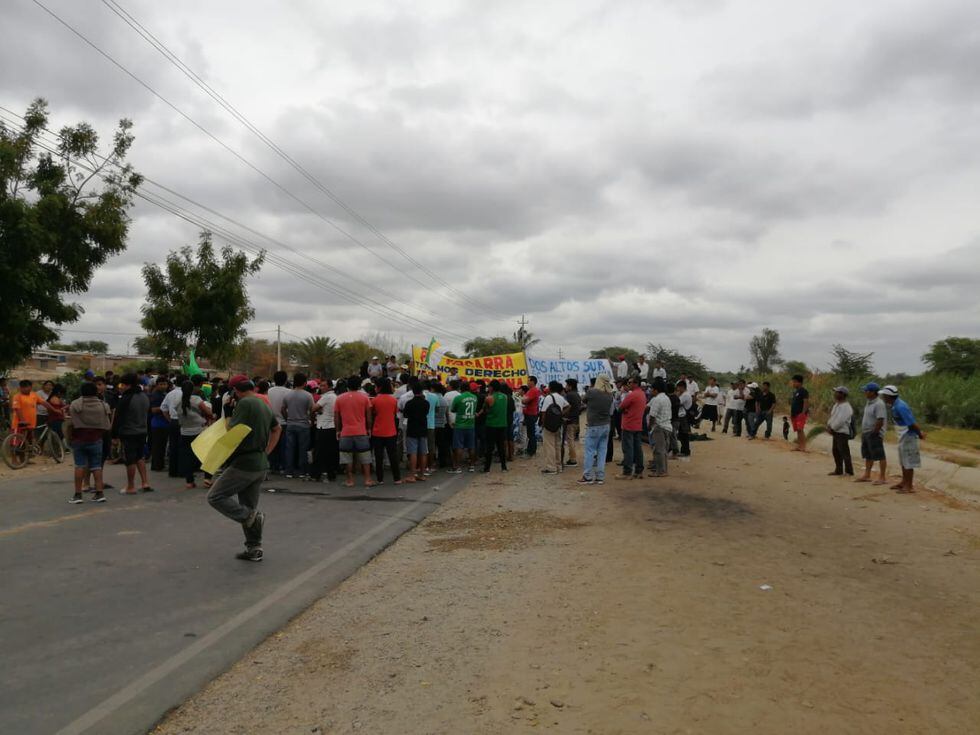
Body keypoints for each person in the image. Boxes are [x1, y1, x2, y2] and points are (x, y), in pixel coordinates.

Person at [206, 375, 280, 562]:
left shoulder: (245, 404)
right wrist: (267, 451)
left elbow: (232, 431)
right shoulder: (262, 403)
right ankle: (254, 548)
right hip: (259, 463)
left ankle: (252, 517)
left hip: (244, 464)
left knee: (215, 496)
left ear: (235, 390)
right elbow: (277, 428)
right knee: (249, 505)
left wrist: (228, 412)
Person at [66, 381, 112, 504]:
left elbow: (71, 424)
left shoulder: (75, 405)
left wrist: (69, 438)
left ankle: (77, 495)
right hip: (96, 439)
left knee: (79, 466)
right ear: (96, 392)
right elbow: (107, 425)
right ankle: (99, 493)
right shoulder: (103, 405)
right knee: (96, 466)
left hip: (79, 439)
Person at [881, 385, 925, 494]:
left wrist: (920, 434)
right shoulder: (895, 405)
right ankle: (904, 482)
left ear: (888, 396)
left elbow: (912, 423)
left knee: (908, 461)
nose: (883, 397)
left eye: (884, 395)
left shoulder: (901, 406)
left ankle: (909, 486)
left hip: (908, 436)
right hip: (902, 436)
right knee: (903, 460)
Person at [113, 374, 152, 494]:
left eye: (121, 385)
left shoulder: (126, 398)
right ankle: (145, 482)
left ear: (127, 385)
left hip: (129, 432)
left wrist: (114, 436)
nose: (120, 387)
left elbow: (118, 418)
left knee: (130, 460)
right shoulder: (144, 397)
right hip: (142, 431)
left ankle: (131, 486)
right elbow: (148, 413)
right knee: (140, 456)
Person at [334, 374, 374, 488]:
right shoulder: (365, 398)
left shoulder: (340, 398)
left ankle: (350, 480)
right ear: (359, 385)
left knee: (347, 458)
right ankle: (367, 479)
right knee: (365, 457)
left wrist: (338, 430)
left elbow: (337, 417)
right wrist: (369, 428)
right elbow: (368, 416)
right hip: (361, 431)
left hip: (345, 432)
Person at [177, 379, 214, 489]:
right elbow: (209, 413)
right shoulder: (197, 399)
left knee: (188, 456)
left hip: (184, 432)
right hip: (199, 430)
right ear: (193, 389)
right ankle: (207, 479)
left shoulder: (179, 401)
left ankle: (189, 481)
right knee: (206, 454)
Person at [579, 373, 613, 485]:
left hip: (594, 425)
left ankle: (587, 476)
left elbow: (583, 401)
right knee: (602, 452)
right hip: (606, 425)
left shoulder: (592, 392)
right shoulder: (610, 394)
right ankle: (600, 477)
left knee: (590, 451)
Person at [281, 373, 314, 479]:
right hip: (303, 425)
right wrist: (311, 421)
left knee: (290, 448)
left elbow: (282, 409)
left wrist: (287, 418)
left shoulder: (288, 395)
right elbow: (312, 410)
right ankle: (302, 471)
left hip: (290, 424)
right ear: (305, 382)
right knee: (303, 449)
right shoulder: (308, 395)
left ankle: (289, 470)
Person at [856, 382, 889, 485]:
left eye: (866, 391)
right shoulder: (869, 402)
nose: (865, 392)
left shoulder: (879, 404)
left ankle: (882, 477)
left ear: (873, 392)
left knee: (880, 455)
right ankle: (867, 475)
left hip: (874, 433)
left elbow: (880, 420)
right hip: (866, 432)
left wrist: (875, 432)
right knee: (868, 455)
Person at [370, 378, 400, 485]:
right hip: (391, 431)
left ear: (379, 387)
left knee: (379, 456)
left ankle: (380, 479)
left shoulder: (374, 400)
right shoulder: (394, 400)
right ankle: (397, 478)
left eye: (376, 386)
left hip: (377, 432)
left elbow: (372, 414)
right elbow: (395, 413)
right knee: (393, 455)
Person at [616, 376, 646, 479]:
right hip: (638, 425)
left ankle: (627, 472)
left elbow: (620, 408)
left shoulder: (632, 395)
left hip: (629, 424)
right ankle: (639, 471)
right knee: (638, 449)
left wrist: (624, 410)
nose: (628, 384)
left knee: (628, 449)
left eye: (630, 382)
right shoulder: (642, 394)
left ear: (635, 383)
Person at [310, 379, 339, 483]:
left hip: (324, 427)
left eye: (323, 386)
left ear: (329, 387)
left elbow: (313, 408)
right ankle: (331, 474)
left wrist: (318, 410)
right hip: (332, 427)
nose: (320, 387)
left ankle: (315, 475)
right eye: (320, 385)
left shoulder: (326, 397)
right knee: (331, 453)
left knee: (319, 453)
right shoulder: (335, 397)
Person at [539, 381, 569, 474]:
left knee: (549, 446)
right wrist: (560, 414)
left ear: (551, 388)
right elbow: (568, 406)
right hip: (557, 424)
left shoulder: (549, 397)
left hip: (549, 425)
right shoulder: (561, 397)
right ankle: (558, 466)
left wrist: (544, 424)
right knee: (557, 445)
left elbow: (543, 412)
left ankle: (551, 468)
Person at [402, 383, 430, 482]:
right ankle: (422, 474)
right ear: (422, 391)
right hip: (423, 428)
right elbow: (426, 413)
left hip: (412, 428)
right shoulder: (426, 403)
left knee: (413, 452)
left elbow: (405, 415)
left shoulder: (409, 403)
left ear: (413, 392)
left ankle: (412, 475)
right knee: (423, 452)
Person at [450, 382, 478, 473]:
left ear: (461, 389)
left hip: (460, 425)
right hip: (471, 424)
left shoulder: (458, 398)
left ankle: (457, 467)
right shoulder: (474, 397)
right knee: (471, 446)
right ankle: (472, 466)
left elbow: (453, 409)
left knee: (459, 446)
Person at [826, 386, 854, 476]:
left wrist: (832, 428)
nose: (835, 394)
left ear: (842, 394)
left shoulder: (846, 407)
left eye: (837, 392)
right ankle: (838, 470)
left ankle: (849, 471)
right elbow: (833, 417)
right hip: (836, 431)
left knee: (844, 451)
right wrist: (829, 425)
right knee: (836, 451)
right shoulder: (837, 405)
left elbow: (841, 420)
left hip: (842, 432)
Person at [481, 380, 509, 472]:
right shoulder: (505, 397)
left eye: (489, 386)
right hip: (502, 424)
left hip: (491, 425)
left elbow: (486, 411)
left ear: (492, 387)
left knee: (489, 447)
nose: (488, 388)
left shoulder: (489, 398)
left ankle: (487, 468)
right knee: (501, 446)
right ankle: (504, 467)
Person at [646, 379, 672, 477]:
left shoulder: (657, 399)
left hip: (659, 427)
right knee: (663, 450)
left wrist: (649, 426)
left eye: (652, 389)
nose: (651, 391)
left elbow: (652, 415)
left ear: (656, 390)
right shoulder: (666, 398)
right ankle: (663, 470)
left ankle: (661, 471)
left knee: (658, 450)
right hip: (667, 426)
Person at [266, 370, 290, 473]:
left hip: (271, 422)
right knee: (283, 446)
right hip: (284, 422)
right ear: (285, 380)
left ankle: (273, 466)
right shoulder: (288, 392)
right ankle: (282, 465)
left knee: (272, 444)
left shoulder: (269, 391)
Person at [148, 378, 171, 472]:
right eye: (161, 384)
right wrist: (165, 408)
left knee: (162, 446)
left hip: (164, 423)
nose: (163, 386)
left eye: (165, 384)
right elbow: (153, 410)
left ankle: (159, 464)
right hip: (158, 423)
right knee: (158, 446)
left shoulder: (165, 394)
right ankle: (157, 466)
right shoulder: (155, 395)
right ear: (157, 385)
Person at [563, 378, 582, 467]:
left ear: (570, 386)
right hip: (575, 420)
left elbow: (567, 407)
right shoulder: (577, 394)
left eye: (566, 385)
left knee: (570, 440)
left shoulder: (570, 395)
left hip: (570, 420)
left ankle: (572, 459)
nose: (565, 387)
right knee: (571, 440)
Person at [522, 376, 541, 458]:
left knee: (531, 434)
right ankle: (530, 450)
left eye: (528, 381)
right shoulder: (531, 390)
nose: (527, 382)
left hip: (531, 414)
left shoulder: (533, 390)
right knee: (530, 433)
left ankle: (531, 452)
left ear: (533, 382)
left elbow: (525, 400)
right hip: (529, 414)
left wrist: (523, 399)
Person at [789, 374, 810, 452]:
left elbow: (806, 402)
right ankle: (799, 446)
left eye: (795, 382)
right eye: (793, 382)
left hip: (800, 414)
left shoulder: (803, 391)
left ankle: (803, 447)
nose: (793, 383)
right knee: (798, 430)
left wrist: (803, 413)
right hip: (794, 414)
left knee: (800, 429)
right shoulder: (795, 392)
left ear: (800, 382)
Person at [675, 380, 693, 457]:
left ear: (682, 387)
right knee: (682, 434)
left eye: (678, 388)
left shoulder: (685, 395)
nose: (678, 390)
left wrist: (677, 394)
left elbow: (677, 402)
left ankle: (685, 451)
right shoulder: (685, 394)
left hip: (683, 416)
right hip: (683, 416)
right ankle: (684, 450)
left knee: (684, 434)